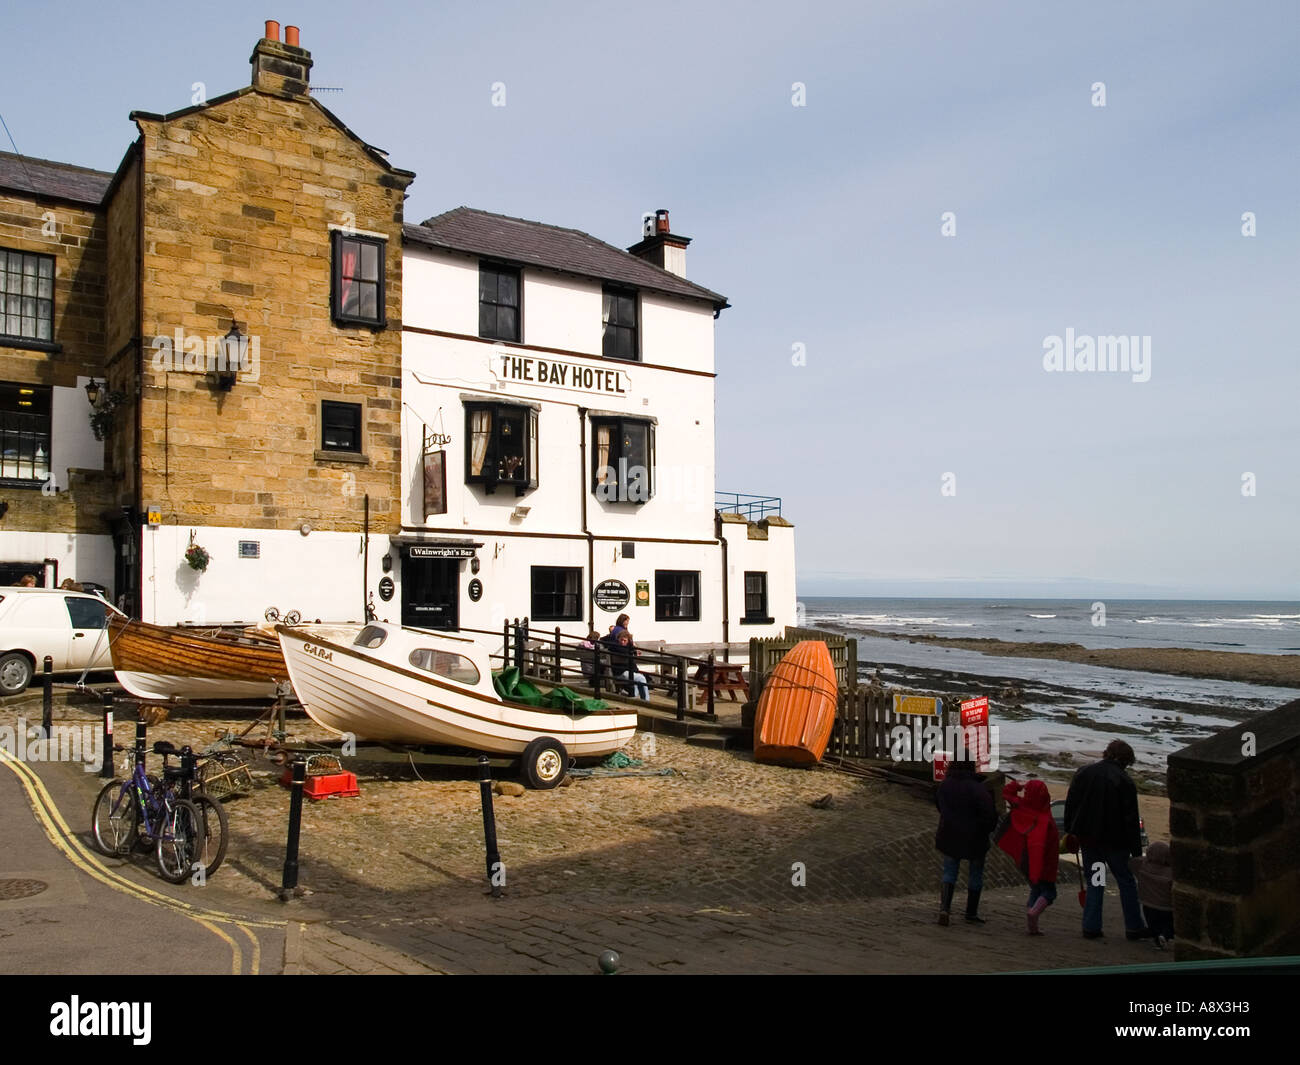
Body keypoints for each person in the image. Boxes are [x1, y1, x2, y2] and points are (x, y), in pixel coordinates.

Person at [1064, 739, 1148, 940]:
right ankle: (1134, 926)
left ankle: (1091, 926)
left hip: (1089, 839)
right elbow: (1130, 819)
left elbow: (1071, 804)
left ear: (1107, 753)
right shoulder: (1124, 781)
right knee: (1126, 881)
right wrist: (1137, 851)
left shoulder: (1084, 773)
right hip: (1115, 842)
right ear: (1126, 760)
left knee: (1096, 880)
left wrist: (1071, 831)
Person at [934, 759, 997, 925]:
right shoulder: (978, 788)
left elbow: (939, 805)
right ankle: (971, 913)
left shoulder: (945, 785)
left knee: (949, 872)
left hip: (949, 835)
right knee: (975, 874)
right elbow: (989, 814)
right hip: (975, 837)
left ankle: (944, 909)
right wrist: (987, 829)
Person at [998, 778, 1060, 935]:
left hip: (1024, 858)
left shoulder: (1021, 806)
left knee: (1035, 888)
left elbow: (1006, 792)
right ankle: (1033, 913)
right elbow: (1050, 850)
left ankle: (1032, 926)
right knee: (1049, 893)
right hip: (1041, 863)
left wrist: (1019, 785)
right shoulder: (1046, 821)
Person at [1132, 840, 1174, 949]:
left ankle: (1156, 937)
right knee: (1168, 924)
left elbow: (1132, 863)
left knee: (1153, 923)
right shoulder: (1171, 872)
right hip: (1166, 906)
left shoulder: (1143, 866)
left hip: (1148, 904)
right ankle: (1165, 936)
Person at [602, 629, 649, 701]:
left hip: (628, 671)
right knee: (641, 678)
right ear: (618, 639)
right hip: (620, 672)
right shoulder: (615, 646)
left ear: (628, 641)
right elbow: (623, 652)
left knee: (639, 679)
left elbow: (632, 663)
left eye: (625, 640)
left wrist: (633, 649)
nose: (622, 642)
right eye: (621, 640)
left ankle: (633, 697)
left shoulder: (628, 649)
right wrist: (633, 649)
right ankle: (646, 701)